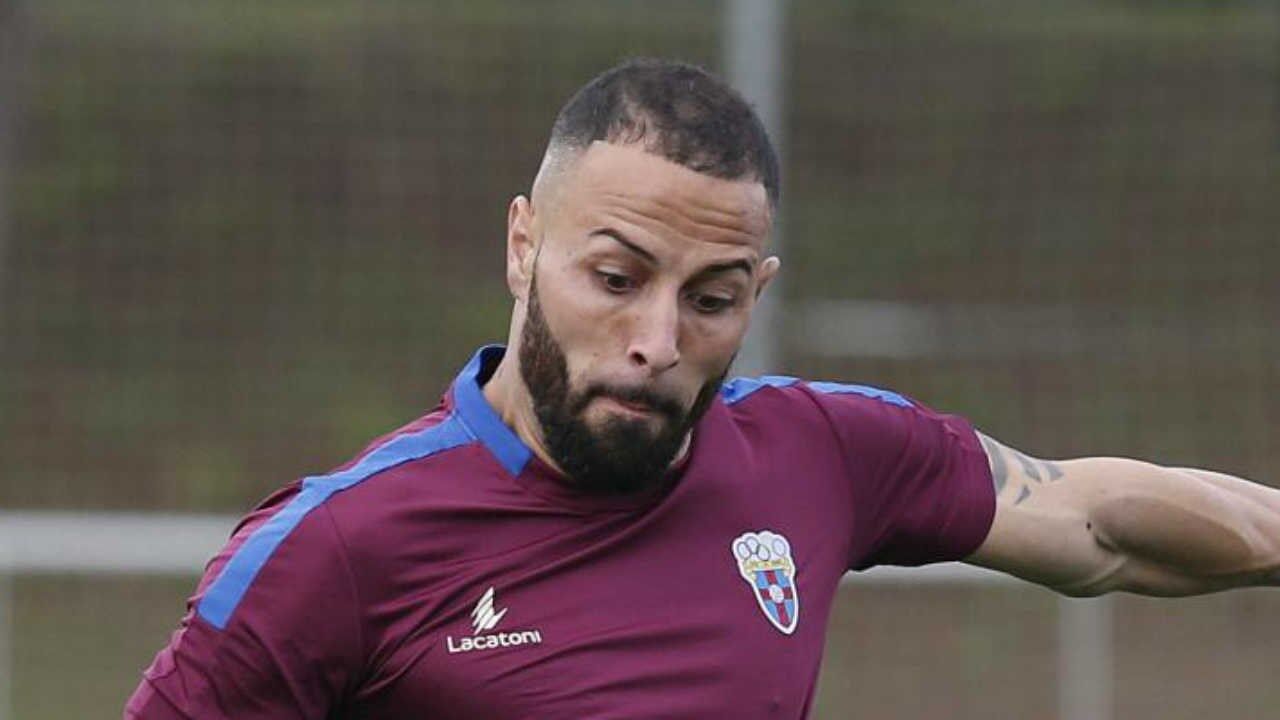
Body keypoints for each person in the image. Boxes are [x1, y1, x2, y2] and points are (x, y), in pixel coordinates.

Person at [125, 58, 1280, 719]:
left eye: (712, 298)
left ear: (757, 292)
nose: (656, 340)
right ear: (523, 246)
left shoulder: (823, 454)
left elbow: (1095, 522)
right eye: (615, 279)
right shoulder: (335, 549)